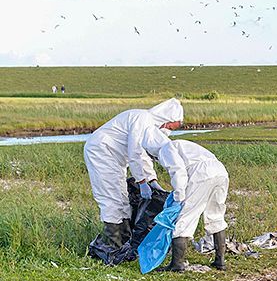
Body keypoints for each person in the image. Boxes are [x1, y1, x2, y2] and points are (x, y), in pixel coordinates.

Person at [83, 98, 184, 249]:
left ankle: (123, 243)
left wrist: (152, 180)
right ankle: (113, 245)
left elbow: (143, 155)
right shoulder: (142, 118)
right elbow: (134, 152)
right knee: (111, 197)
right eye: (170, 126)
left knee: (122, 197)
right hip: (101, 152)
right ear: (166, 118)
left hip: (114, 157)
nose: (168, 130)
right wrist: (142, 183)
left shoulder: (148, 126)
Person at [142, 127, 229, 272]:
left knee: (184, 218)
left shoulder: (165, 149)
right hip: (220, 171)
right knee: (216, 215)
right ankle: (220, 261)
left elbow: (178, 172)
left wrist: (179, 196)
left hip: (201, 174)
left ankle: (177, 264)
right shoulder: (181, 143)